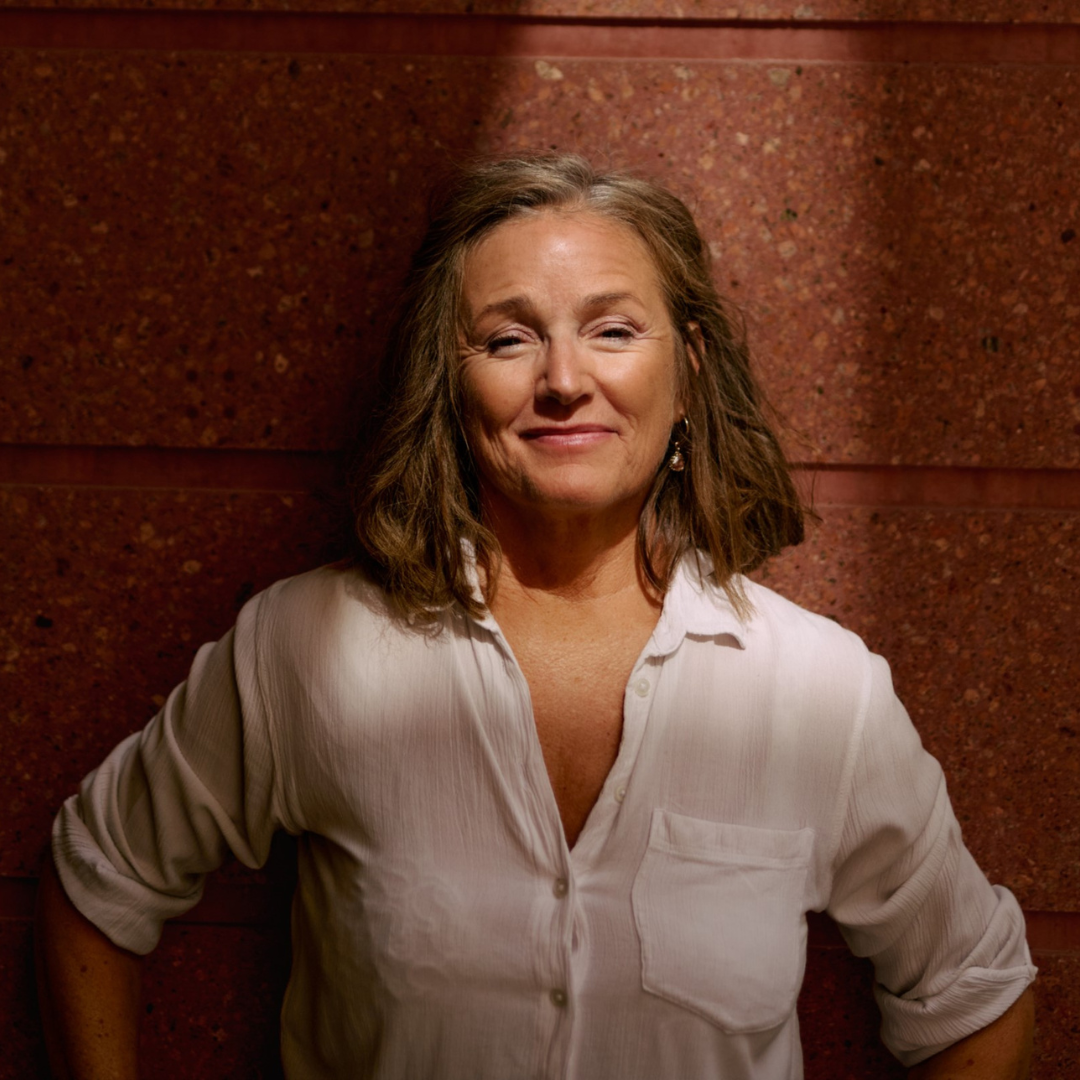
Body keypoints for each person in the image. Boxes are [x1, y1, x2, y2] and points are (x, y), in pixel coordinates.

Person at [36, 154, 1035, 1079]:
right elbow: (97, 881)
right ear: (449, 381)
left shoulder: (821, 693)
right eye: (508, 338)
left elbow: (976, 996)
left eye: (613, 330)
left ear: (687, 369)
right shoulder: (311, 650)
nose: (563, 380)